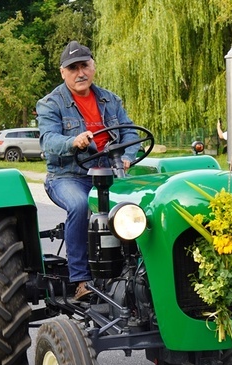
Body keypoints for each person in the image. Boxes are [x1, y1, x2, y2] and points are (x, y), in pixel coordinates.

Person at [36, 40, 140, 300]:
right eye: (73, 68)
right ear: (63, 72)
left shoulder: (110, 99)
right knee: (81, 205)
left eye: (84, 66)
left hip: (109, 172)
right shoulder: (51, 103)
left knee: (137, 205)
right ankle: (81, 279)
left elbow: (128, 132)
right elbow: (48, 140)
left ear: (93, 67)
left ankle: (137, 273)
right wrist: (73, 141)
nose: (79, 73)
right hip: (68, 176)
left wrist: (127, 156)